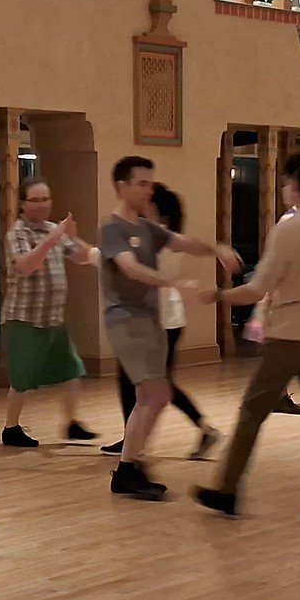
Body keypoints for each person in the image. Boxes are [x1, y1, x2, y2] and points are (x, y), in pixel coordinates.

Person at [195, 158, 300, 524]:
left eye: (288, 182)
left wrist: (219, 295)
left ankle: (226, 488)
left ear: (297, 186)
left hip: (291, 329)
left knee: (253, 407)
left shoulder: (290, 227)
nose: (284, 187)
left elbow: (258, 288)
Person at [99, 156, 238, 501]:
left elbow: (181, 242)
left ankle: (131, 467)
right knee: (156, 394)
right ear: (122, 187)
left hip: (149, 318)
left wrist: (216, 249)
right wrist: (173, 283)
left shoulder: (148, 229)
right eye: (142, 184)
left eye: (150, 183)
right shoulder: (113, 228)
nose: (149, 190)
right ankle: (130, 466)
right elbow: (130, 269)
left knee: (151, 396)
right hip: (126, 319)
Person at [103, 181, 220, 459]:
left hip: (159, 320)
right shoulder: (157, 239)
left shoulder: (159, 242)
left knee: (151, 384)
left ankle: (137, 443)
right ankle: (135, 439)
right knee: (152, 383)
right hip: (166, 320)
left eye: (149, 199)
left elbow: (136, 271)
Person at [0, 179, 99, 449]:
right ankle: (11, 428)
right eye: (36, 200)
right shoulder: (17, 233)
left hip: (53, 316)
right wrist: (52, 239)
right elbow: (26, 266)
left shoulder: (54, 229)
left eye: (46, 199)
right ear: (23, 204)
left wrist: (74, 236)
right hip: (25, 317)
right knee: (23, 377)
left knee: (71, 369)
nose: (43, 205)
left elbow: (82, 257)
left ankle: (72, 422)